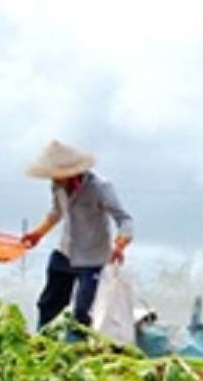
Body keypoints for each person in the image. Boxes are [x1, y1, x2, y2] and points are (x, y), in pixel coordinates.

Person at [18, 139, 133, 331]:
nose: (53, 179)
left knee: (82, 311)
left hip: (92, 256)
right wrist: (37, 234)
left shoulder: (100, 188)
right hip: (65, 251)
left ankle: (82, 348)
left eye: (57, 174)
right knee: (49, 303)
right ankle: (41, 341)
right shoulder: (57, 186)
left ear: (72, 172)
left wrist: (120, 244)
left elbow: (124, 219)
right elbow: (56, 212)